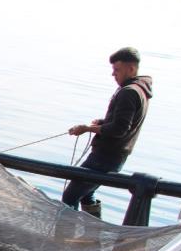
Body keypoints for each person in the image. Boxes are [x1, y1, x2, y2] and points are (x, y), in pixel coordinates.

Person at [63, 47, 153, 218]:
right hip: (116, 158)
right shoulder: (141, 90)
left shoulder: (129, 92)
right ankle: (94, 234)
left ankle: (66, 239)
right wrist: (103, 123)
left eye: (117, 70)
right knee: (87, 194)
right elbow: (125, 123)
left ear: (131, 68)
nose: (113, 74)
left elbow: (119, 129)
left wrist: (87, 128)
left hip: (104, 157)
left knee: (70, 196)